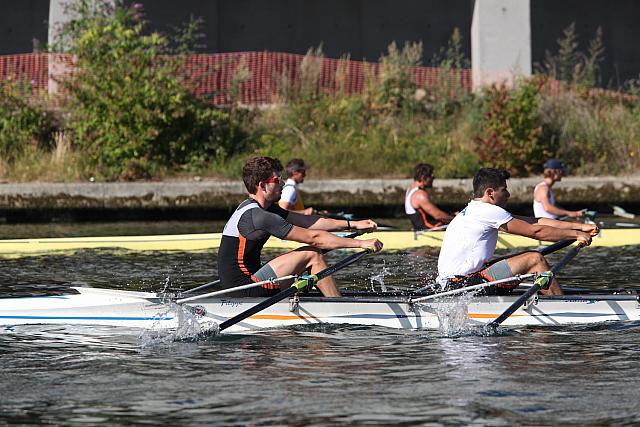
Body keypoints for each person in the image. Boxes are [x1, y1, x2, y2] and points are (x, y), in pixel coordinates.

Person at [218, 156, 383, 298]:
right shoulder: (259, 216)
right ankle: (340, 308)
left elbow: (309, 222)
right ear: (262, 185)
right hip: (244, 289)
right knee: (312, 254)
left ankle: (328, 299)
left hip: (247, 282)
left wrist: (353, 224)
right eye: (277, 180)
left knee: (307, 257)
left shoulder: (261, 208)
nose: (282, 183)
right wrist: (361, 243)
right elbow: (315, 238)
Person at [437, 168, 597, 296]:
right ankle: (560, 306)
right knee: (535, 259)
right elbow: (537, 231)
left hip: (452, 284)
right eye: (504, 189)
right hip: (462, 286)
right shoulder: (488, 211)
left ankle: (550, 296)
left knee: (528, 256)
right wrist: (575, 235)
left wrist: (578, 227)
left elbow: (534, 221)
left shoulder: (475, 209)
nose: (508, 194)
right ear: (490, 193)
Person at [405, 163, 454, 230]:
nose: (433, 178)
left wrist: (452, 215)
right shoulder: (420, 195)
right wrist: (457, 219)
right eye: (431, 176)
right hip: (428, 230)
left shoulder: (410, 189)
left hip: (421, 229)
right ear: (423, 178)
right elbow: (438, 216)